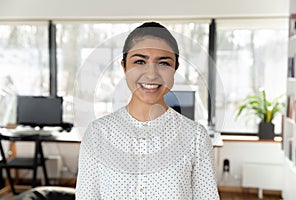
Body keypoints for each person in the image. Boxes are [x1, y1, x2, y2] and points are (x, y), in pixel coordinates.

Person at [75, 22, 220, 199]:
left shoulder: (195, 137)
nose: (151, 74)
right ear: (124, 67)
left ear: (175, 68)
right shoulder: (97, 134)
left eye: (164, 63)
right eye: (140, 61)